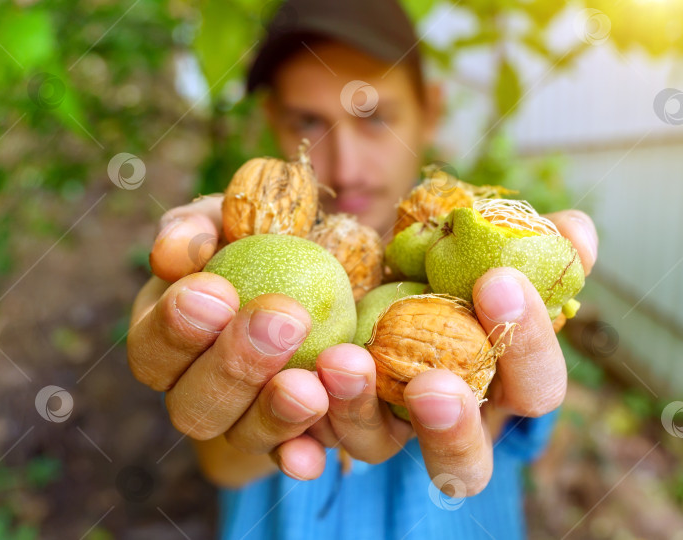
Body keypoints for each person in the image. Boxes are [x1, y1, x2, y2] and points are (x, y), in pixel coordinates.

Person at [127, 0, 599, 538]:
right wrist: (208, 363)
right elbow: (224, 464)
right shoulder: (240, 247)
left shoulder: (480, 256)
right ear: (273, 123)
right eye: (308, 120)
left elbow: (527, 427)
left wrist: (493, 399)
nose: (345, 167)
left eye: (374, 116)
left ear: (431, 110)